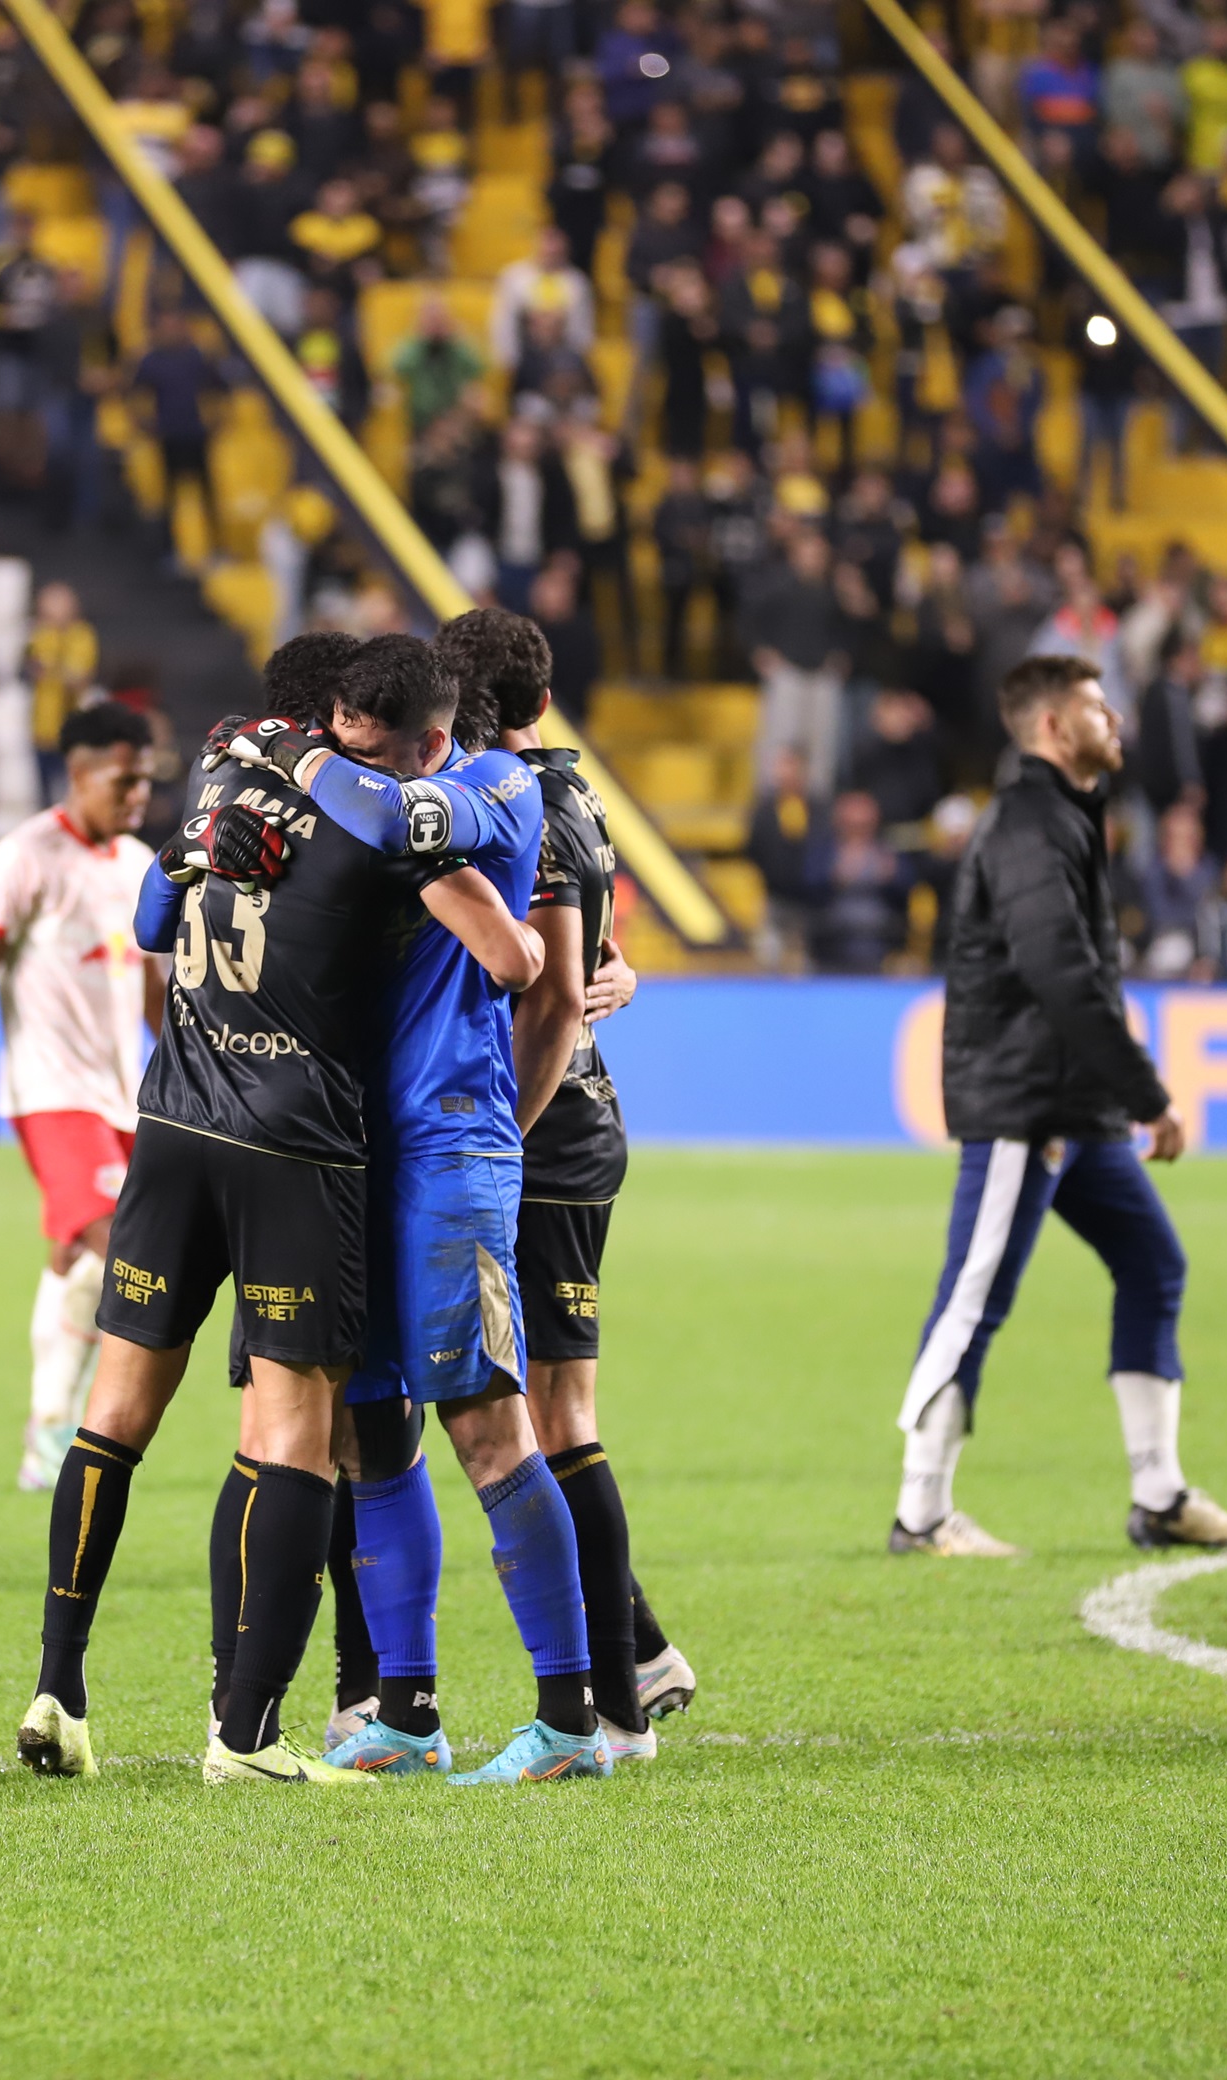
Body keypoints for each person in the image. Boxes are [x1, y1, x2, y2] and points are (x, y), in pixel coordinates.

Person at [15, 634, 538, 1789]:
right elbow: (508, 956)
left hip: (172, 1128)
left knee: (112, 1417)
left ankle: (60, 1681)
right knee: (291, 1437)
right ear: (349, 724)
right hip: (293, 1146)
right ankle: (243, 1732)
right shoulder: (376, 822)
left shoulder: (217, 789)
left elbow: (154, 917)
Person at [209, 635, 592, 1787]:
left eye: (368, 745)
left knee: (484, 1418)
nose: (343, 757)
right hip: (349, 1152)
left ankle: (570, 1719)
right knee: (372, 1432)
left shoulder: (493, 787)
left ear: (432, 738)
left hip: (448, 1142)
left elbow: (401, 836)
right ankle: (406, 1710)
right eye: (336, 735)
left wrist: (293, 761)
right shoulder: (379, 781)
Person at [891, 654, 1227, 1559]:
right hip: (1027, 1108)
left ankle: (1161, 1494)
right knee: (973, 1297)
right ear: (1055, 729)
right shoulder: (1029, 824)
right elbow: (1060, 973)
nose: (1118, 719)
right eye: (1100, 707)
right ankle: (921, 1514)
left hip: (1071, 1107)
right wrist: (1148, 1092)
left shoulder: (1061, 818)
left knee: (1152, 1263)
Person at [440, 607, 697, 1750]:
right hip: (583, 1130)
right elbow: (593, 954)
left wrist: (505, 1132)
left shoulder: (511, 805)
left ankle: (614, 1700)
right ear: (544, 703)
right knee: (542, 1418)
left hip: (545, 1139)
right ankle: (636, 1653)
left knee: (544, 1418)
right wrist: (620, 969)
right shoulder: (575, 793)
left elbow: (550, 992)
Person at [0, 703, 163, 1491]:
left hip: (122, 1095)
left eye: (146, 779)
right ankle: (81, 1431)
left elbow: (146, 973)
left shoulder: (137, 860)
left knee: (80, 1252)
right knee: (128, 1251)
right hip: (49, 1091)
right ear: (79, 773)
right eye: (125, 779)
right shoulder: (24, 855)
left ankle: (45, 1429)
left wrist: (184, 1059)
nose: (139, 794)